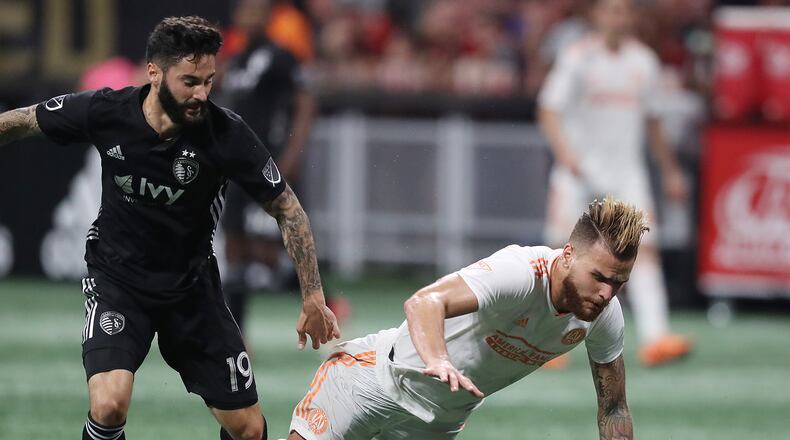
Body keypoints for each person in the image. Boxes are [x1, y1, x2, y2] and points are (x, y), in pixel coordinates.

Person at [0, 16, 339, 440]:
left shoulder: (226, 133)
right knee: (108, 405)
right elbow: (25, 120)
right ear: (154, 73)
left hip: (192, 290)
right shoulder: (108, 111)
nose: (202, 94)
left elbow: (288, 209)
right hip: (118, 282)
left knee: (249, 430)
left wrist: (313, 295)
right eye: (190, 82)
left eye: (209, 81)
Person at [287, 197, 640, 440]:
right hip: (374, 382)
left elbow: (614, 408)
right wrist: (438, 359)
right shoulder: (519, 273)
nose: (607, 293)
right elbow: (424, 302)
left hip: (438, 422)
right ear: (567, 255)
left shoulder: (604, 316)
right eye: (599, 277)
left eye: (618, 283)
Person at [538, 0, 692, 367]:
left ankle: (656, 338)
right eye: (610, 10)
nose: (616, 18)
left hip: (626, 174)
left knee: (644, 250)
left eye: (623, 11)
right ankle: (544, 341)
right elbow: (548, 109)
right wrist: (565, 153)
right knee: (561, 254)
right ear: (597, 15)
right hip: (579, 172)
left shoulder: (644, 61)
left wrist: (670, 170)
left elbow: (653, 122)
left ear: (633, 17)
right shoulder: (578, 57)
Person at [218, 0, 343, 333]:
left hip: (270, 161)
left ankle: (324, 304)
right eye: (247, 11)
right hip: (237, 164)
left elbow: (305, 104)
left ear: (269, 17)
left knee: (287, 238)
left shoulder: (283, 57)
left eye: (258, 11)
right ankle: (237, 330)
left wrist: (292, 155)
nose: (252, 17)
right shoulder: (236, 60)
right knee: (235, 241)